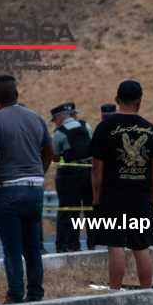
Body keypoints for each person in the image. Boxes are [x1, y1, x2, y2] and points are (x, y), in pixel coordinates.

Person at [0, 75, 54, 303]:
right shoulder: (36, 118)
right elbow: (50, 151)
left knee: (12, 248)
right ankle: (35, 292)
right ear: (17, 94)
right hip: (34, 189)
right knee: (32, 247)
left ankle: (15, 294)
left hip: (7, 190)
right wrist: (39, 173)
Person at [91, 80, 153, 290]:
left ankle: (115, 291)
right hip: (140, 197)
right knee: (141, 246)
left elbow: (96, 169)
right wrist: (151, 197)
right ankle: (146, 290)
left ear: (117, 99)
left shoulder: (104, 128)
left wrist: (96, 197)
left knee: (115, 245)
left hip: (112, 196)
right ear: (139, 101)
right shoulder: (150, 130)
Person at [50, 102, 96, 253]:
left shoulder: (59, 133)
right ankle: (93, 242)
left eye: (55, 120)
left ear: (60, 117)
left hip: (69, 176)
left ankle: (70, 244)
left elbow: (55, 156)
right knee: (90, 208)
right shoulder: (85, 126)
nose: (55, 123)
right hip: (89, 172)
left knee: (70, 210)